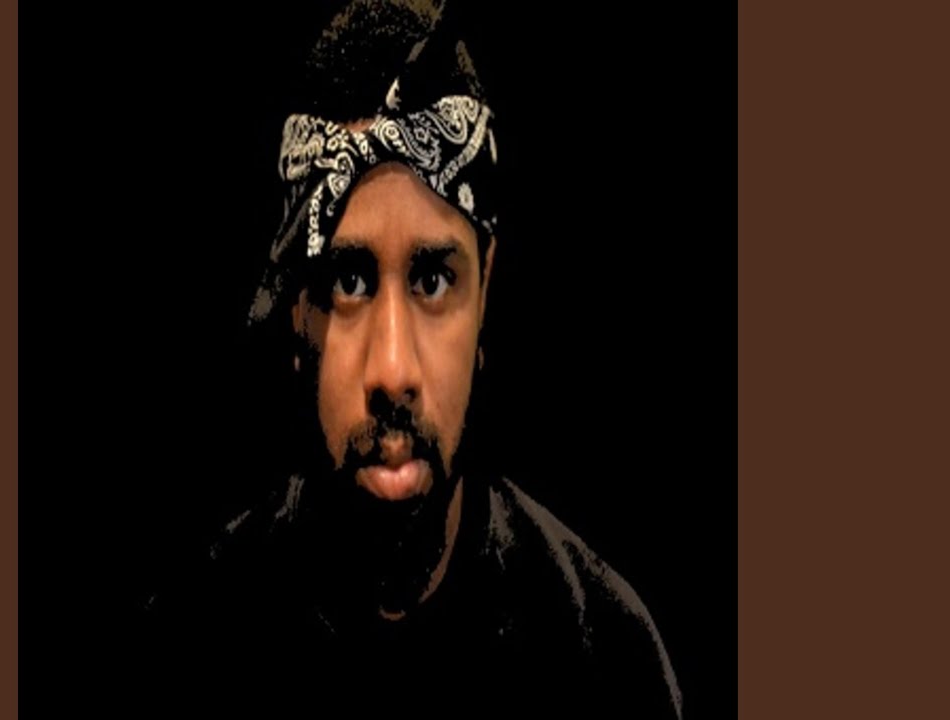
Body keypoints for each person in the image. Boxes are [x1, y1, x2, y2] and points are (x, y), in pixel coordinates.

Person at [145, 1, 683, 713]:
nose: (393, 370)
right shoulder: (181, 652)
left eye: (432, 280)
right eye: (348, 280)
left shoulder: (605, 660)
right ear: (297, 309)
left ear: (485, 292)